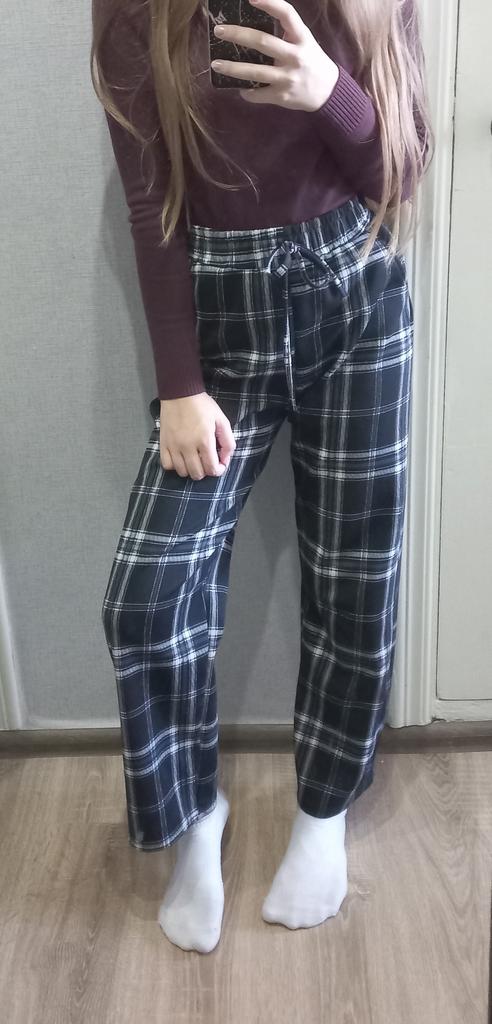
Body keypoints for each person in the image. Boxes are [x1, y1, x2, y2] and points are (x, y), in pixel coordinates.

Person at [91, 0, 434, 954]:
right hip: (218, 327)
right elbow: (149, 203)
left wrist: (330, 94)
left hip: (355, 295)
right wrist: (178, 385)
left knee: (355, 575)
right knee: (147, 601)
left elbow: (402, 172)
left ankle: (323, 811)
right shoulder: (135, 9)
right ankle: (196, 812)